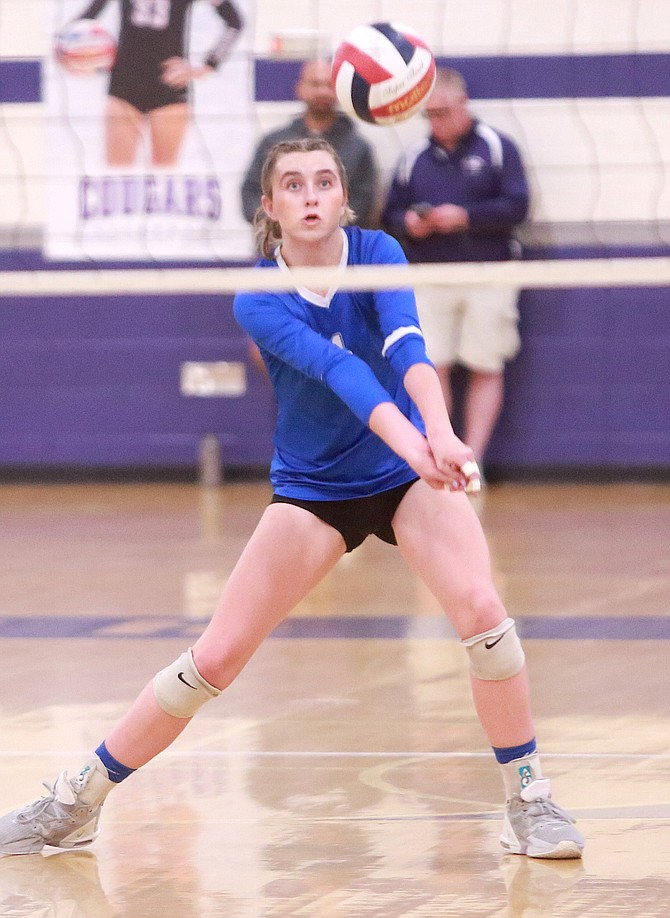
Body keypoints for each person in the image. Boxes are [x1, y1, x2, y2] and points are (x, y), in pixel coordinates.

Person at [0, 138, 583, 862]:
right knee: (214, 657)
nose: (311, 196)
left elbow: (407, 349)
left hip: (404, 477)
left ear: (344, 197)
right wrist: (419, 447)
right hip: (316, 489)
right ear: (270, 206)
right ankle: (74, 799)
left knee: (486, 616)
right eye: (294, 185)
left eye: (325, 181)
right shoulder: (259, 297)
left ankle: (529, 799)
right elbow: (342, 372)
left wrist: (442, 435)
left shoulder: (379, 252)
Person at [382, 67, 530, 472]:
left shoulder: (498, 148)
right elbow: (389, 213)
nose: (436, 122)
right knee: (431, 365)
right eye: (429, 115)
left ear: (463, 104)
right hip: (429, 274)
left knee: (485, 363)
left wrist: (464, 217)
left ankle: (474, 458)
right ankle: (444, 455)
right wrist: (409, 222)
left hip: (489, 271)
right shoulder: (413, 157)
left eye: (443, 112)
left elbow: (518, 206)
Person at [58, 0, 244, 167]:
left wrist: (206, 66)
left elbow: (234, 23)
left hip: (169, 88)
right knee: (117, 178)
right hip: (124, 86)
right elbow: (78, 27)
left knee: (164, 180)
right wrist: (76, 57)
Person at [240, 59, 379, 229]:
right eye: (315, 84)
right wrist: (287, 227)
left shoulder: (358, 148)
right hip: (279, 247)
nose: (321, 91)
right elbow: (250, 195)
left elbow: (363, 203)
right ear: (300, 89)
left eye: (328, 85)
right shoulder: (272, 143)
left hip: (339, 248)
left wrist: (319, 229)